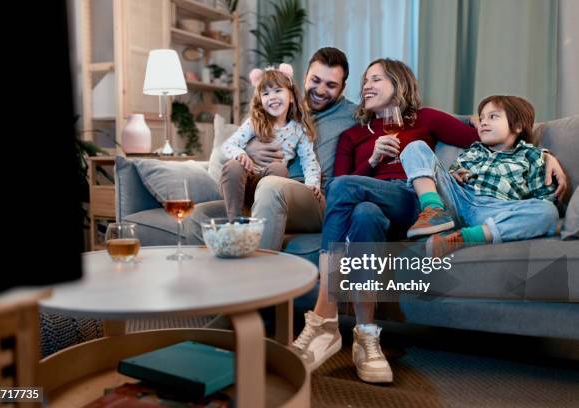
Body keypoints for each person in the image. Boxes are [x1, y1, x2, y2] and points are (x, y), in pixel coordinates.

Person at [288, 58, 567, 384]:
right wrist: (374, 158)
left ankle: (325, 316)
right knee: (360, 208)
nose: (367, 85)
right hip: (371, 204)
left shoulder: (425, 118)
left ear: (399, 82)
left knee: (375, 179)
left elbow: (484, 138)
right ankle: (366, 337)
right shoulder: (352, 136)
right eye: (365, 80)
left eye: (376, 78)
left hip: (410, 198)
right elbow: (342, 187)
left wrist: (543, 154)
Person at [189, 47, 357, 249]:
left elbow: (309, 159)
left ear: (343, 87)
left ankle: (259, 274)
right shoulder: (276, 105)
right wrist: (248, 151)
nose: (321, 90)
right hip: (258, 186)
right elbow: (238, 142)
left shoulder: (354, 116)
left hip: (308, 196)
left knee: (272, 184)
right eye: (315, 80)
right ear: (304, 77)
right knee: (198, 214)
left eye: (331, 85)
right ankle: (217, 275)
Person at [399, 95, 559, 256]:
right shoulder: (474, 149)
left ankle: (463, 238)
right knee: (415, 147)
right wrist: (455, 174)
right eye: (482, 118)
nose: (483, 122)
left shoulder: (531, 156)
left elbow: (544, 197)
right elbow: (453, 174)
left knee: (547, 211)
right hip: (457, 199)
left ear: (517, 126)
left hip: (492, 209)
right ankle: (433, 210)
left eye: (493, 117)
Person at [220, 64, 321, 218]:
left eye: (278, 90)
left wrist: (312, 184)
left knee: (279, 168)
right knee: (234, 165)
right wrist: (241, 154)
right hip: (243, 181)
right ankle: (235, 223)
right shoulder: (254, 122)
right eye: (266, 93)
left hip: (268, 187)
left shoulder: (298, 129)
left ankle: (263, 218)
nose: (272, 97)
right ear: (260, 100)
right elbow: (228, 145)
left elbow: (309, 161)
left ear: (292, 97)